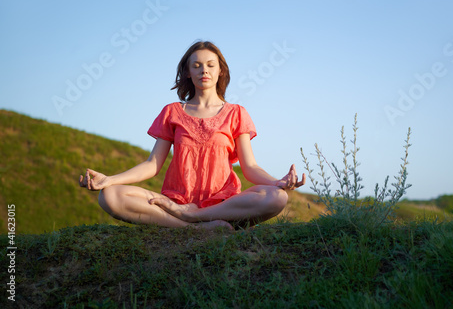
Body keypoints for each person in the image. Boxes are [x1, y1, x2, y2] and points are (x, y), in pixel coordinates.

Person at [79, 41, 305, 230]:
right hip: (175, 202)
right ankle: (194, 228)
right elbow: (152, 165)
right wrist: (110, 180)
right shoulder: (172, 111)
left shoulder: (236, 113)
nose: (203, 70)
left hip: (223, 204)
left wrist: (278, 182)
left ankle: (195, 217)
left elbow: (250, 167)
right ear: (188, 72)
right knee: (110, 196)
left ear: (220, 71)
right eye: (196, 65)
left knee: (277, 197)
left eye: (210, 65)